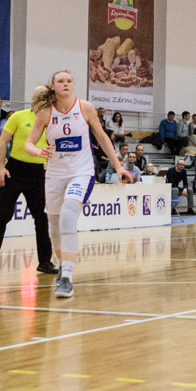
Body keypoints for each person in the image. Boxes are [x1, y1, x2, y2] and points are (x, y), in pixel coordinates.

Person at [20, 71, 123, 299]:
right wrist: (39, 152)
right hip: (55, 174)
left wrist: (117, 166)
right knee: (54, 224)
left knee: (68, 216)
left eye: (69, 81)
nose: (66, 84)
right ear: (53, 86)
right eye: (61, 81)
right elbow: (28, 144)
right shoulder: (46, 112)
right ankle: (61, 265)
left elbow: (102, 137)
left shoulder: (85, 107)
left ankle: (67, 277)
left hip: (81, 172)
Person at [0, 103, 56, 279]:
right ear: (34, 100)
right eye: (41, 98)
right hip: (15, 171)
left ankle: (45, 262)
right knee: (1, 216)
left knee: (41, 218)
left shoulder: (54, 120)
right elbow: (2, 141)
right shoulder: (18, 116)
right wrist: (1, 168)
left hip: (38, 173)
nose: (45, 101)